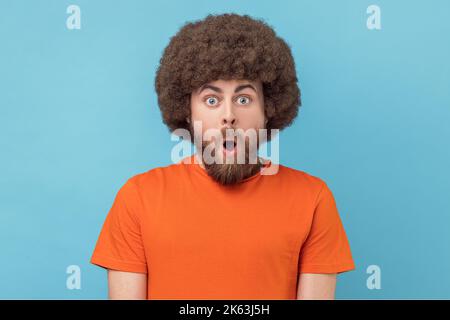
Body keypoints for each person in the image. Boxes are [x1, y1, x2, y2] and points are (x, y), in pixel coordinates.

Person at [90, 13, 355, 300]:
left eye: (243, 99)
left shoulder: (313, 198)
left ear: (269, 110)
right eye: (212, 100)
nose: (229, 116)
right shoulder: (138, 197)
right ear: (187, 112)